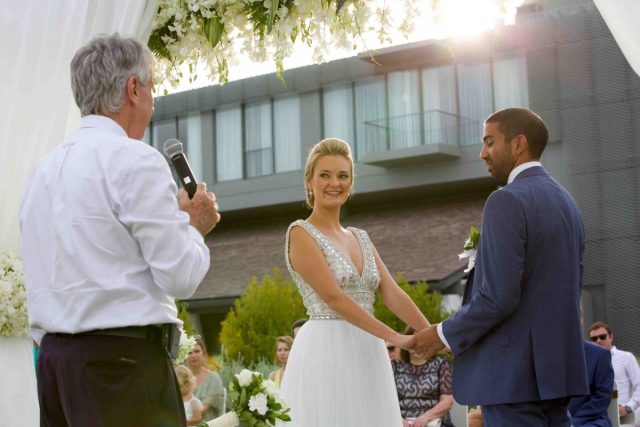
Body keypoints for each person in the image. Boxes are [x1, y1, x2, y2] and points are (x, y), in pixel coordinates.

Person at [20, 34, 220, 427]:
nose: (153, 99)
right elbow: (180, 277)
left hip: (56, 367)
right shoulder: (136, 160)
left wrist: (173, 220)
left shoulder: (42, 172)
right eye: (151, 87)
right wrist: (193, 227)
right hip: (122, 367)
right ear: (133, 88)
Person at [412, 107, 589, 426]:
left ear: (518, 143)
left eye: (490, 142)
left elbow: (498, 297)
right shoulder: (568, 204)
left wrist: (443, 333)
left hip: (512, 378)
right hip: (557, 375)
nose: (482, 153)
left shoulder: (506, 201)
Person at [281, 138, 429, 426]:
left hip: (368, 351)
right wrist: (395, 337)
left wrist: (431, 333)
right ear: (309, 181)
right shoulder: (301, 233)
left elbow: (393, 294)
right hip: (326, 348)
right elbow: (334, 298)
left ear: (351, 183)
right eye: (324, 175)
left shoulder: (361, 237)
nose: (334, 183)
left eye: (342, 175)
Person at [392, 327, 454, 427]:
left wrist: (425, 417)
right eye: (413, 340)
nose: (418, 344)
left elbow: (447, 401)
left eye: (422, 340)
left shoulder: (441, 365)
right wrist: (398, 419)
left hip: (434, 423)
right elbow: (387, 399)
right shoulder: (395, 366)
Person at [589, 321, 640, 425]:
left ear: (610, 337)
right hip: (597, 416)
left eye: (602, 337)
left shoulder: (626, 357)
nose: (598, 341)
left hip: (622, 417)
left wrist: (628, 407)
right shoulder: (589, 362)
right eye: (594, 339)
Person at [569, 340, 614, 426]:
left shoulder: (600, 354)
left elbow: (602, 397)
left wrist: (572, 423)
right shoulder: (549, 356)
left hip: (590, 420)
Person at [187, 337, 225, 422]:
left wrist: (182, 418)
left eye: (197, 351)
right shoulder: (181, 379)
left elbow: (203, 409)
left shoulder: (214, 378)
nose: (193, 355)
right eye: (189, 352)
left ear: (203, 354)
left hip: (207, 423)